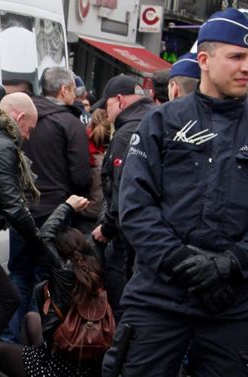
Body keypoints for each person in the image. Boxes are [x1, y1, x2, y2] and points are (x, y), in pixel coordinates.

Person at [101, 8, 248, 377]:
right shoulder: (161, 123)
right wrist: (185, 266)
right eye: (237, 56)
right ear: (205, 60)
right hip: (159, 300)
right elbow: (134, 208)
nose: (247, 66)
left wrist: (228, 265)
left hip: (237, 306)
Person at [2, 67, 91, 344]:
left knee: (18, 273)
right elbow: (80, 176)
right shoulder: (70, 123)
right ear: (64, 90)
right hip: (56, 211)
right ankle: (34, 344)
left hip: (23, 210)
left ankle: (7, 340)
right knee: (45, 279)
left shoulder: (25, 116)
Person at [0, 195, 108, 377]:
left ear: (58, 251)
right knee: (31, 317)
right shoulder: (96, 262)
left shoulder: (61, 270)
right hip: (89, 363)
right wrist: (107, 196)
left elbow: (45, 233)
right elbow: (101, 229)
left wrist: (67, 206)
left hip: (57, 366)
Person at [0, 92, 43, 369]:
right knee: (7, 297)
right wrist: (42, 245)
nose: (28, 136)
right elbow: (14, 208)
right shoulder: (3, 145)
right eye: (29, 127)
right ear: (19, 118)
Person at [90, 74, 154, 321]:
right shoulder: (155, 120)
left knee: (121, 305)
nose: (106, 113)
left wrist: (107, 227)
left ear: (119, 100)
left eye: (107, 106)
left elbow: (122, 188)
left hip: (128, 236)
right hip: (148, 234)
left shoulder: (128, 132)